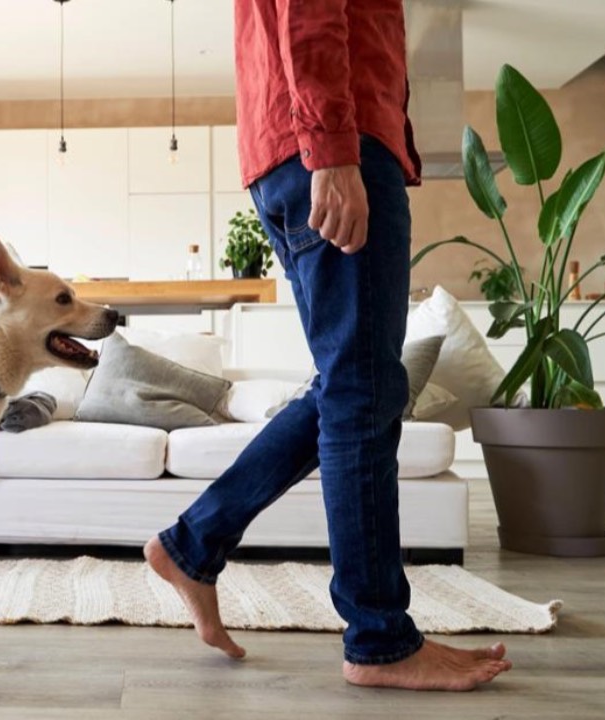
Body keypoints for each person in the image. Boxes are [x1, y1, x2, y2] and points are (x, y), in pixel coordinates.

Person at [144, 0, 513, 691]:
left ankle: (194, 542)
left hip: (301, 144)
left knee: (354, 385)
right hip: (333, 144)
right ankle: (379, 641)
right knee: (360, 389)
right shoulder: (333, 146)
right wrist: (333, 149)